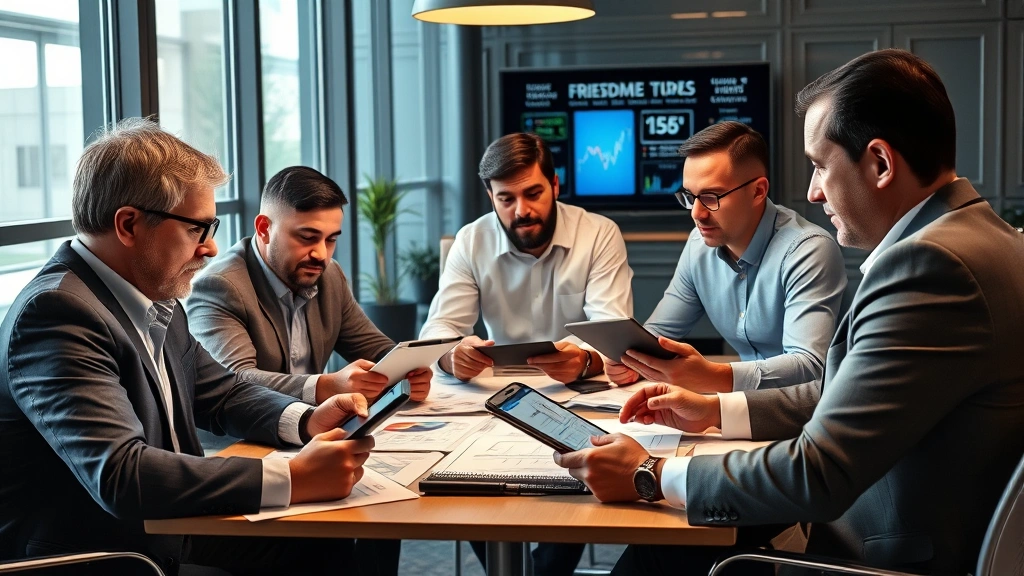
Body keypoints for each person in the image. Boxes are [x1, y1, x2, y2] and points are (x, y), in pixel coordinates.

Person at [555, 48, 1024, 575]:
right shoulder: (984, 239)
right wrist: (713, 409)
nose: (813, 191)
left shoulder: (929, 266)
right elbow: (848, 395)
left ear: (881, 163)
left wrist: (650, 473)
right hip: (909, 529)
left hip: (876, 557)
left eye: (820, 165)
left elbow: (818, 474)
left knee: (670, 546)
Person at [0, 118, 392, 575]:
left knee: (326, 543)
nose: (210, 248)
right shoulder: (58, 312)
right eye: (197, 230)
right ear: (128, 224)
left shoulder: (153, 297)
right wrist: (293, 476)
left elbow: (220, 392)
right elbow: (121, 475)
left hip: (164, 529)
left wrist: (306, 420)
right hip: (105, 556)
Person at [418, 132, 634, 575]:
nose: (521, 210)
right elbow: (438, 331)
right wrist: (453, 354)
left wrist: (585, 359)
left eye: (533, 193)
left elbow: (611, 329)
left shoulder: (599, 234)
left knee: (588, 464)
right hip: (493, 399)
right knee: (458, 479)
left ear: (555, 184)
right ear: (490, 197)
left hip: (578, 395)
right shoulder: (470, 240)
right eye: (506, 198)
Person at [606, 121, 846, 403]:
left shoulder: (808, 250)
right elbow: (658, 335)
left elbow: (809, 366)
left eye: (710, 197)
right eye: (689, 196)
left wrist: (713, 376)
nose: (696, 214)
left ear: (758, 191)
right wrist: (626, 360)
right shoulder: (698, 246)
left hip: (816, 412)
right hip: (740, 408)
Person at [187, 165, 432, 407]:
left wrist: (408, 374)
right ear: (264, 229)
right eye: (307, 238)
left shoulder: (329, 275)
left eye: (331, 239)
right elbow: (235, 380)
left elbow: (377, 350)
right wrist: (326, 386)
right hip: (242, 442)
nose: (321, 254)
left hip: (312, 432)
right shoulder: (219, 286)